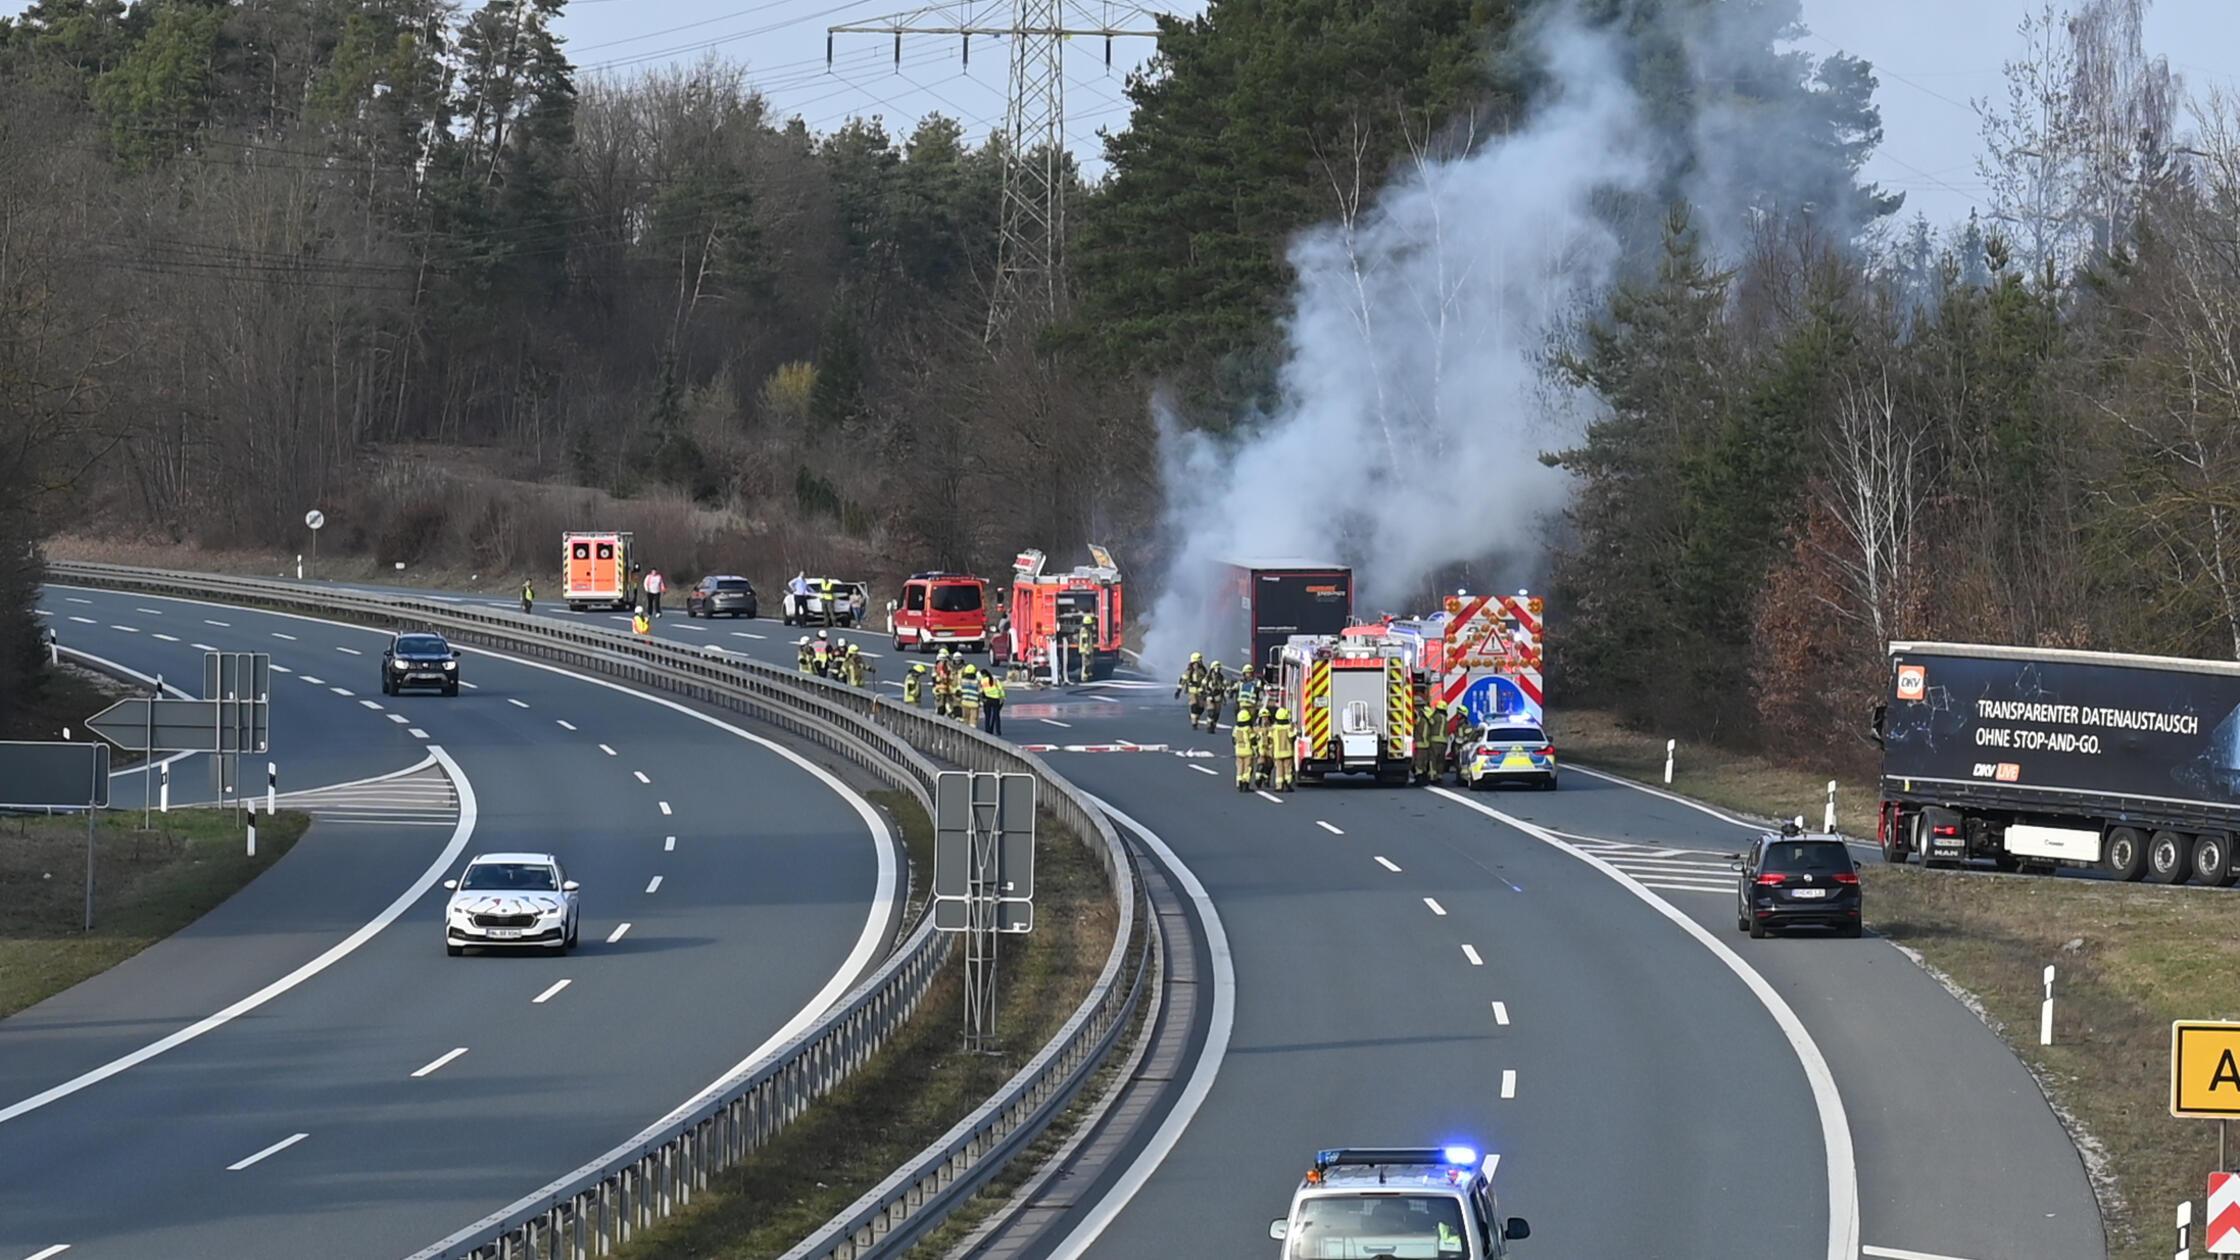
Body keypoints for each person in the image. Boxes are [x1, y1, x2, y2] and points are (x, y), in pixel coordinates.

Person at [1270, 706, 1296, 791]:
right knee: (1287, 769)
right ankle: (1288, 784)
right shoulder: (1288, 727)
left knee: (1279, 769)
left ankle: (1279, 786)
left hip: (1277, 753)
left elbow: (1270, 739)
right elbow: (1292, 736)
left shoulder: (1274, 728)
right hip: (1287, 752)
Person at [1231, 707, 1256, 792]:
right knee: (1247, 768)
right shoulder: (1248, 729)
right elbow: (1253, 740)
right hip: (1247, 751)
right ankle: (1245, 784)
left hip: (1238, 751)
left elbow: (1233, 740)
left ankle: (1239, 783)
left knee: (1239, 767)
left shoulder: (1236, 728)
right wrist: (1255, 749)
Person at [1201, 662, 1227, 732]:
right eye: (1216, 668)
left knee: (1216, 714)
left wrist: (1225, 696)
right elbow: (1203, 686)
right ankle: (1209, 726)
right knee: (1211, 712)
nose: (1217, 670)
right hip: (1209, 696)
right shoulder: (1208, 677)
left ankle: (1213, 726)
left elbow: (1225, 686)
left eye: (1219, 668)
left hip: (1218, 696)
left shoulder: (1221, 677)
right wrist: (1203, 694)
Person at [1075, 611, 1097, 683]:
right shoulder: (1085, 631)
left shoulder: (1086, 630)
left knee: (1088, 663)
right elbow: (1085, 641)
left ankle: (1087, 675)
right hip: (1085, 650)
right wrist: (1086, 650)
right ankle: (1084, 677)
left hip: (1087, 649)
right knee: (1085, 664)